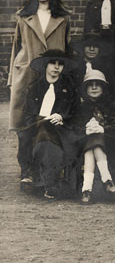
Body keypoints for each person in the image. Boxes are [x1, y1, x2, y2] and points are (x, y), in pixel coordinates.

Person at [10, 0, 71, 181]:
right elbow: (16, 47)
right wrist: (14, 76)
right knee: (25, 122)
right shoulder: (23, 16)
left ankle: (50, 167)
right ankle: (26, 169)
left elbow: (68, 48)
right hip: (27, 74)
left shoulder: (63, 18)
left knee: (51, 119)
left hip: (53, 73)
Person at [20, 50, 78, 199]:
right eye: (53, 63)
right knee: (33, 133)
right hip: (35, 126)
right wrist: (41, 119)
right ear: (46, 65)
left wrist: (61, 116)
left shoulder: (69, 89)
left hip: (60, 128)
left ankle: (42, 179)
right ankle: (36, 176)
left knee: (48, 133)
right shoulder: (34, 88)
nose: (56, 67)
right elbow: (28, 114)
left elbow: (74, 112)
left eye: (60, 64)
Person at [73, 68, 115, 205]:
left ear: (103, 87)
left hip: (109, 143)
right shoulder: (81, 107)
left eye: (98, 84)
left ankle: (86, 188)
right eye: (90, 85)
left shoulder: (112, 106)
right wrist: (86, 130)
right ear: (85, 89)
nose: (94, 87)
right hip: (85, 143)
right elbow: (75, 127)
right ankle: (107, 179)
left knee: (93, 143)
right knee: (91, 141)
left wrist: (102, 129)